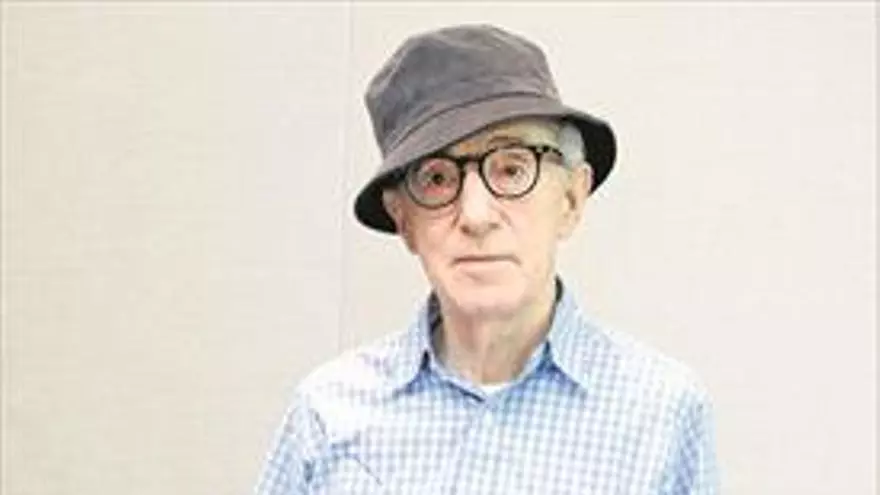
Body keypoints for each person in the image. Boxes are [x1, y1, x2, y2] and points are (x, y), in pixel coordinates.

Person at [256, 24, 718, 495]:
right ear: (403, 220)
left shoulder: (662, 414)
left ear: (571, 199)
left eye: (512, 168)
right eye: (437, 178)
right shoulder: (327, 414)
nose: (476, 216)